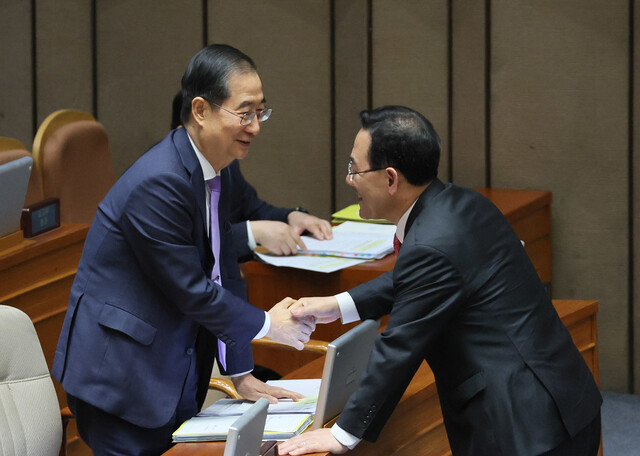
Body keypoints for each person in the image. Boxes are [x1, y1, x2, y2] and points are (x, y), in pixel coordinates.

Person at [279, 106, 603, 456]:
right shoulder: (462, 204)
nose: (349, 179)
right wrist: (339, 305)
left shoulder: (430, 245)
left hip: (522, 430)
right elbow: (422, 280)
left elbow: (400, 345)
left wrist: (343, 434)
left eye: (354, 169)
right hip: (567, 402)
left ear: (390, 179)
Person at [52, 44, 316, 455]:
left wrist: (242, 371)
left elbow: (223, 270)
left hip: (172, 366)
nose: (255, 126)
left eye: (260, 112)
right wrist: (267, 323)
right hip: (121, 377)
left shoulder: (217, 168)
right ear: (200, 111)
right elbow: (190, 287)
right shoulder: (159, 182)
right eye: (244, 113)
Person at [171, 90, 333, 260]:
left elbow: (252, 209)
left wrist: (291, 216)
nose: (253, 128)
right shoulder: (164, 181)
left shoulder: (225, 163)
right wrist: (252, 232)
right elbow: (187, 246)